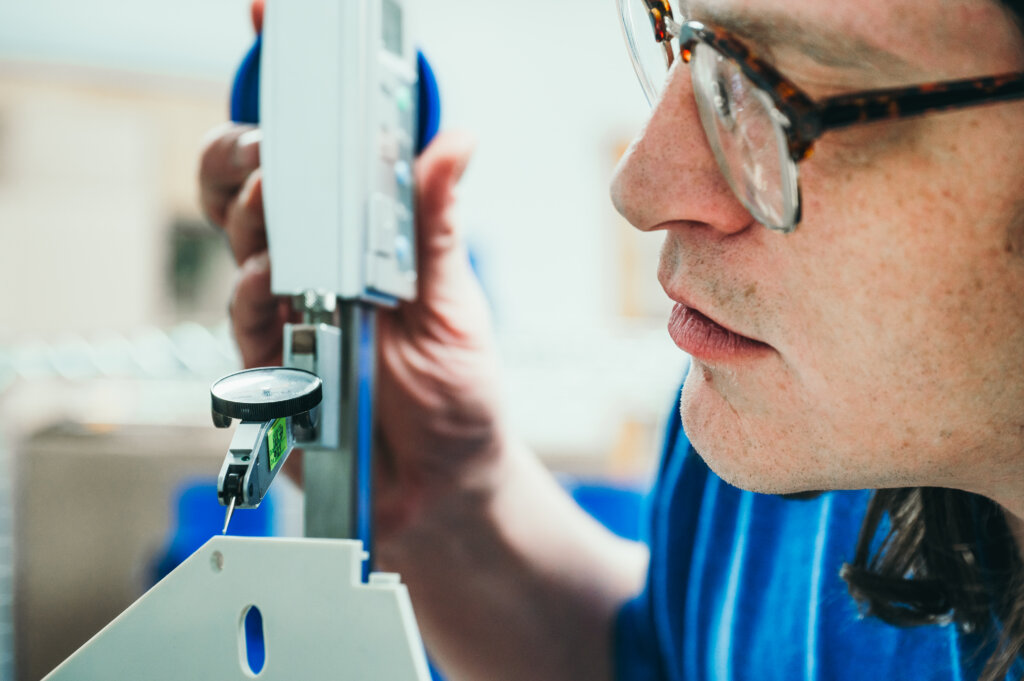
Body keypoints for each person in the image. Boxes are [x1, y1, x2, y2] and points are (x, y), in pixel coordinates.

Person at [198, 0, 1024, 678]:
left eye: (783, 90)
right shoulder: (787, 428)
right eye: (683, 40)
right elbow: (673, 659)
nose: (638, 186)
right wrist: (453, 494)